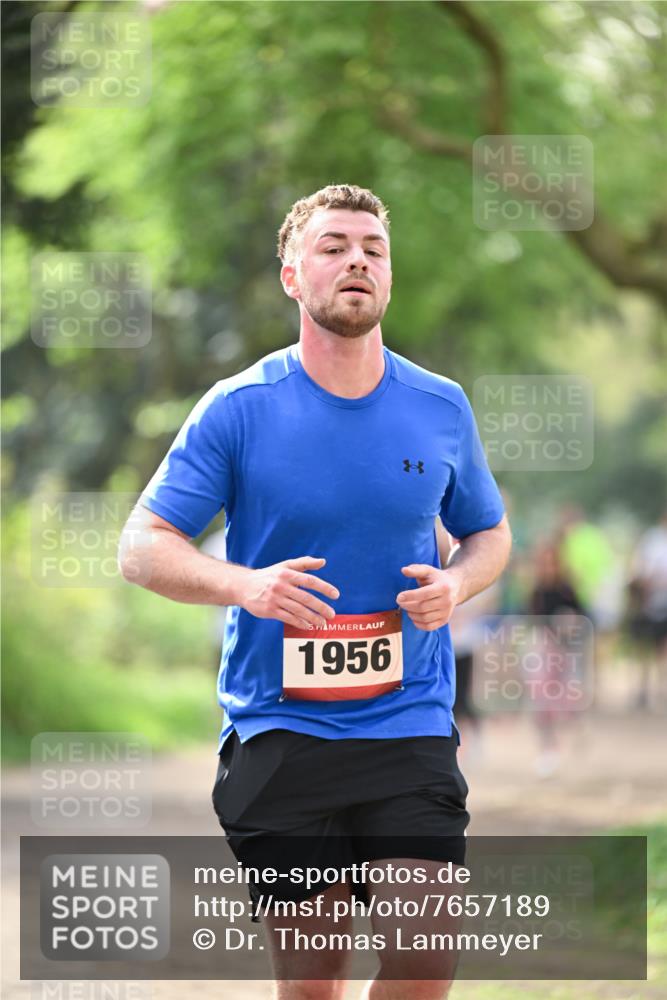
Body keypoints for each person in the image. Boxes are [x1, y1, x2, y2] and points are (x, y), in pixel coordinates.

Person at [119, 184, 511, 1000]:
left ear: (389, 278)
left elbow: (489, 533)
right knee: (312, 979)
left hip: (407, 722)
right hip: (281, 730)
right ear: (293, 275)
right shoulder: (238, 409)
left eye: (372, 247)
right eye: (333, 246)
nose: (357, 259)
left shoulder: (439, 406)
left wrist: (457, 582)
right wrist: (248, 586)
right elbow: (141, 548)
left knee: (424, 958)